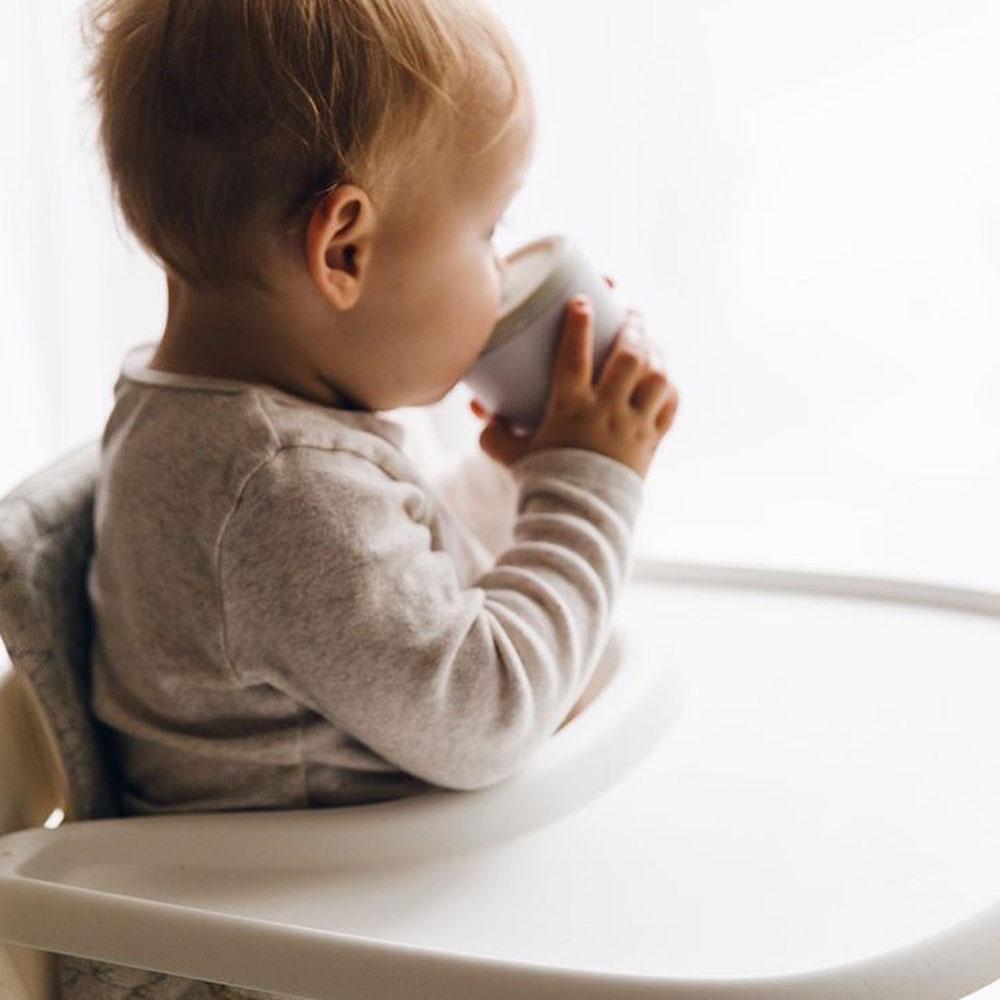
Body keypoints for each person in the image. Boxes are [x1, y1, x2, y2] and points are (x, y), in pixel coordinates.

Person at [65, 0, 680, 996]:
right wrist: (585, 486)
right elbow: (486, 710)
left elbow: (382, 597)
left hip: (351, 900)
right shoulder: (273, 489)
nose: (499, 268)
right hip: (282, 962)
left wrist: (516, 476)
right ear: (344, 249)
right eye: (490, 229)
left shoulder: (227, 427)